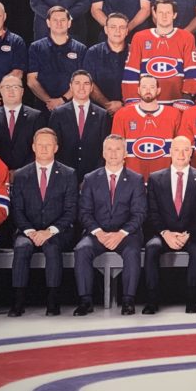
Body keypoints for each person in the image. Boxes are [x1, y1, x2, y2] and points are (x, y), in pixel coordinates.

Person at [73, 134, 146, 316]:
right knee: (82, 250)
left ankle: (128, 301)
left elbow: (139, 214)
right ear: (103, 153)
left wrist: (120, 234)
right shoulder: (90, 179)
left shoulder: (136, 179)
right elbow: (84, 212)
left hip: (127, 234)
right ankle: (85, 301)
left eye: (118, 149)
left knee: (132, 252)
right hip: (97, 234)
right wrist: (99, 233)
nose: (113, 154)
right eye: (109, 149)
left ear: (125, 153)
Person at [7, 128, 77, 317]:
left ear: (56, 148)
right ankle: (18, 302)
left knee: (52, 247)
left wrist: (50, 231)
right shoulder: (21, 174)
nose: (44, 148)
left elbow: (70, 211)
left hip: (57, 231)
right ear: (33, 147)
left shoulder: (68, 174)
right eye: (40, 145)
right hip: (27, 230)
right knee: (21, 248)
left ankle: (53, 301)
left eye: (48, 145)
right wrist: (30, 231)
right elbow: (17, 210)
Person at [142, 135, 196, 314]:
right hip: (163, 234)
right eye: (177, 150)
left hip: (190, 234)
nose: (181, 154)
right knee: (151, 248)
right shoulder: (155, 178)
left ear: (191, 153)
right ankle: (152, 301)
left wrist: (188, 234)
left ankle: (192, 300)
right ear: (170, 151)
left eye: (186, 150)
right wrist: (165, 233)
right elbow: (152, 213)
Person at [121, 0, 196, 108]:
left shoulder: (186, 37)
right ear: (154, 13)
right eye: (160, 12)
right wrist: (132, 99)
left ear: (174, 15)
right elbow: (131, 71)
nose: (164, 16)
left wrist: (187, 96)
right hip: (147, 103)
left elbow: (193, 70)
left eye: (168, 12)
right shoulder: (140, 38)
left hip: (177, 104)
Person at [111, 74, 181, 182]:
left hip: (164, 180)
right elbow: (115, 150)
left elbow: (181, 149)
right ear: (138, 90)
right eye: (144, 87)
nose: (148, 91)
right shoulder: (122, 115)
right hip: (132, 180)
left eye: (152, 87)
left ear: (158, 90)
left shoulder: (174, 114)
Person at [47, 70, 111, 182]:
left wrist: (93, 177)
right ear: (71, 87)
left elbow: (105, 149)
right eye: (77, 83)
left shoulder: (102, 115)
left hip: (93, 178)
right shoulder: (58, 114)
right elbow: (53, 147)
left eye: (86, 84)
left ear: (91, 88)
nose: (82, 87)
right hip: (64, 177)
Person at [0, 74, 46, 172]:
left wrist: (20, 172)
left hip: (28, 173)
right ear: (1, 91)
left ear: (22, 92)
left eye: (15, 87)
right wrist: (1, 171)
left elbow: (40, 147)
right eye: (7, 87)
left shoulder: (36, 116)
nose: (11, 91)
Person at [26, 6, 88, 111]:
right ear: (48, 23)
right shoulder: (36, 47)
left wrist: (62, 100)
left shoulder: (81, 49)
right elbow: (31, 80)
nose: (59, 23)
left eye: (63, 20)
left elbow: (82, 80)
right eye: (55, 20)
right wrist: (49, 102)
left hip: (71, 108)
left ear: (69, 23)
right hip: (44, 107)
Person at [83, 12, 129, 115]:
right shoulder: (93, 52)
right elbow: (88, 82)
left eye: (122, 27)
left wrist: (123, 104)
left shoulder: (135, 52)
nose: (117, 31)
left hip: (129, 110)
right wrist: (107, 105)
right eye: (113, 27)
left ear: (127, 31)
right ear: (106, 30)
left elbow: (141, 82)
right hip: (99, 112)